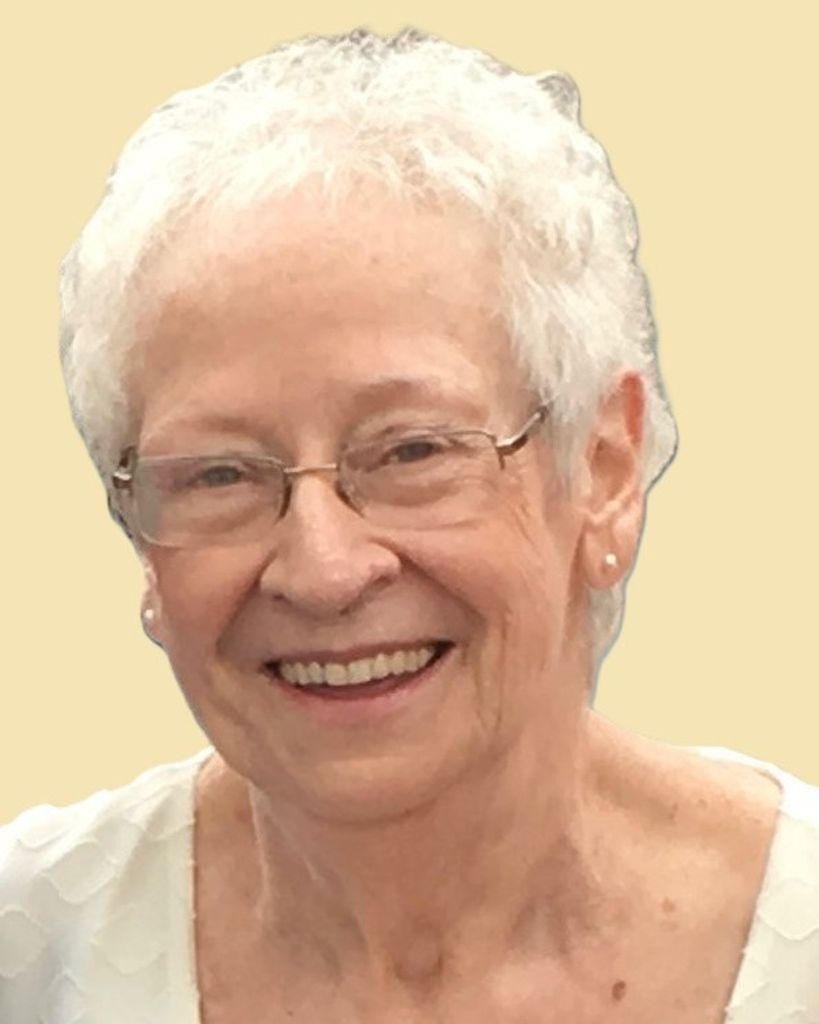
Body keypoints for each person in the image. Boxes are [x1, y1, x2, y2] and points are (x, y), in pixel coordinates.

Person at [1, 27, 817, 1023]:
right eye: (219, 473)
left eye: (411, 452)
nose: (323, 569)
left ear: (603, 470)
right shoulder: (32, 947)